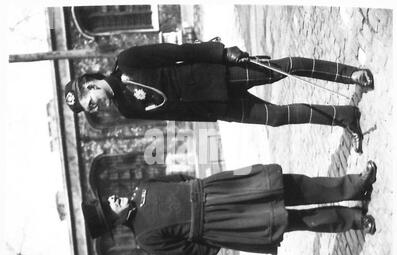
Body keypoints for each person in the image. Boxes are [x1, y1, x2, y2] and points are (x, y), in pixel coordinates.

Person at [64, 41, 374, 153]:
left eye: (91, 101)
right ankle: (346, 116)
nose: (97, 105)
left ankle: (350, 74)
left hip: (217, 74)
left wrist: (223, 53)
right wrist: (213, 116)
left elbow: (178, 52)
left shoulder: (128, 60)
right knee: (276, 118)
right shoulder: (128, 109)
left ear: (91, 84)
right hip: (217, 105)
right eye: (90, 109)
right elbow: (176, 114)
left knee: (281, 69)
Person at [82, 161, 377, 255]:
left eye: (109, 197)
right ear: (113, 221)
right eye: (110, 205)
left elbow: (180, 179)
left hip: (219, 189)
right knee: (291, 220)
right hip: (222, 222)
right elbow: (192, 252)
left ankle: (355, 185)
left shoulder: (143, 187)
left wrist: (201, 190)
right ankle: (354, 220)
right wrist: (219, 232)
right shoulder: (145, 238)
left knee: (292, 186)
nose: (114, 198)